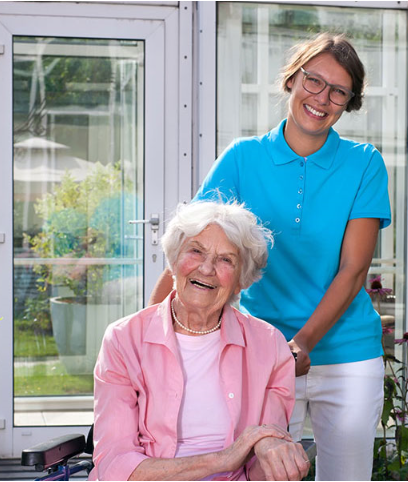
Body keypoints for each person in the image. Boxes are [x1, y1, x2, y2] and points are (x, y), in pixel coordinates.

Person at [150, 32, 391, 480]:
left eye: (339, 91)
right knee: (262, 474)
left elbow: (354, 269)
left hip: (347, 353)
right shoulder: (242, 159)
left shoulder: (364, 164)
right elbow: (192, 248)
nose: (322, 98)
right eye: (313, 81)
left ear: (349, 102)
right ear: (292, 80)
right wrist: (145, 332)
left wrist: (303, 343)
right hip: (257, 352)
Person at [91, 201, 310, 481]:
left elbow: (260, 463)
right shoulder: (123, 340)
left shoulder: (268, 344)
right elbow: (116, 466)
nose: (206, 268)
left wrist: (270, 450)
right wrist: (223, 459)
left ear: (241, 280)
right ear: (174, 260)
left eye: (225, 259)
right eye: (196, 251)